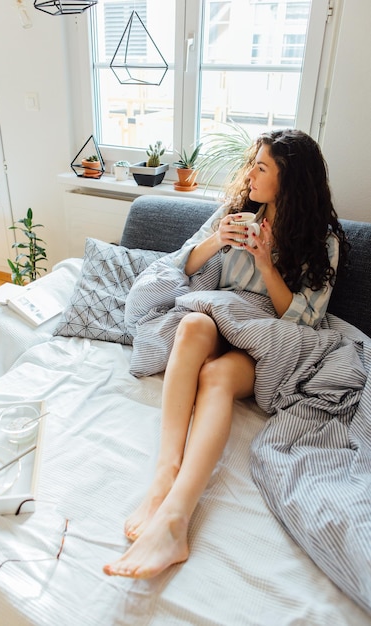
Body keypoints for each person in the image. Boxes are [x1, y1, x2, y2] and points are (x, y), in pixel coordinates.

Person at [103, 128, 349, 580]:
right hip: (218, 315)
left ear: (289, 179)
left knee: (215, 377)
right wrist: (218, 239)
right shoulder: (236, 211)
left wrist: (266, 264)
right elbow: (182, 265)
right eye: (252, 163)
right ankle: (164, 476)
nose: (250, 174)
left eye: (261, 167)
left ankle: (176, 518)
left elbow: (303, 322)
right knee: (193, 323)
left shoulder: (323, 240)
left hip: (268, 335)